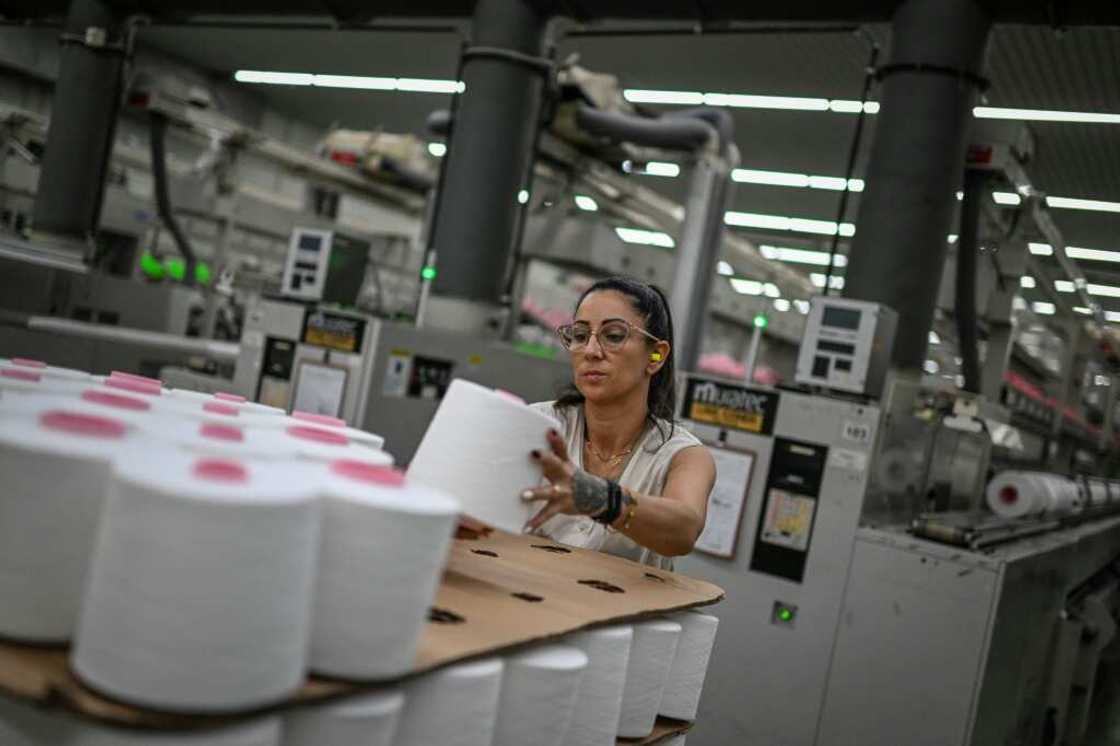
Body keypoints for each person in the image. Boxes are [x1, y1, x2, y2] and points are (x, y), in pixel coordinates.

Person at [520, 276, 716, 570]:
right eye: (580, 335)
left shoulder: (681, 455)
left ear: (656, 355)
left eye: (613, 336)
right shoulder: (537, 424)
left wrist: (600, 498)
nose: (591, 351)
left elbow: (684, 530)